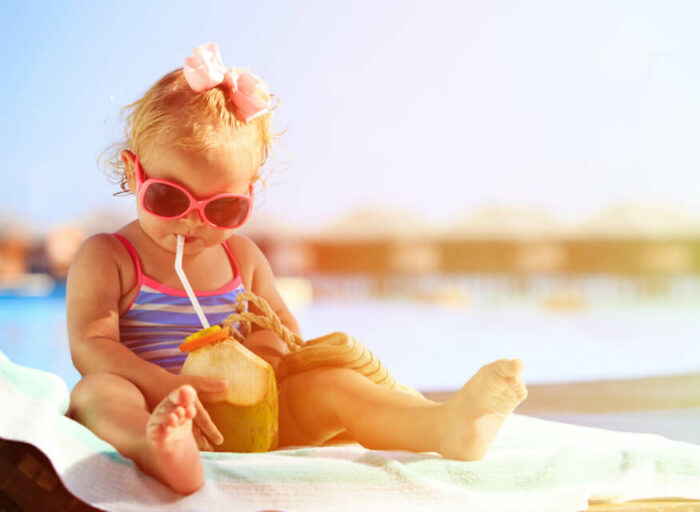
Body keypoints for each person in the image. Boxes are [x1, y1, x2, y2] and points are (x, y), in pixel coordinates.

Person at [65, 42, 528, 495]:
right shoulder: (110, 256)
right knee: (99, 391)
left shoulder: (242, 259)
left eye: (222, 208)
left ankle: (442, 426)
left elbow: (280, 332)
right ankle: (155, 447)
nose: (193, 220)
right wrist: (167, 387)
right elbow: (93, 346)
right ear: (133, 172)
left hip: (253, 418)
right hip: (152, 403)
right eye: (168, 197)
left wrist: (258, 364)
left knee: (333, 385)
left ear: (251, 191)